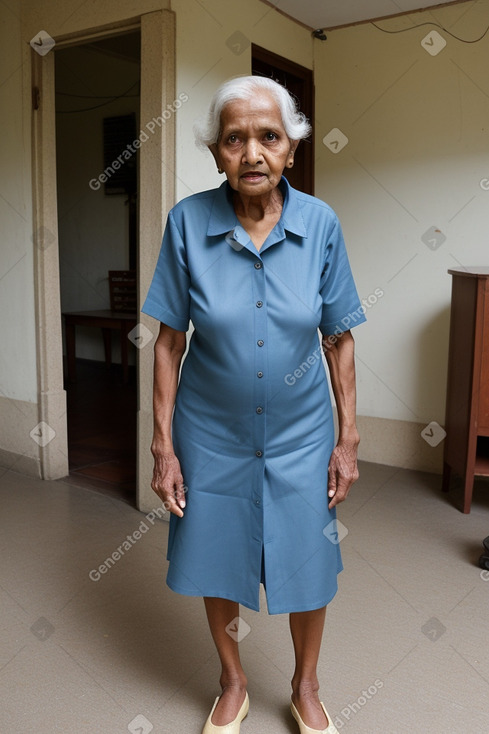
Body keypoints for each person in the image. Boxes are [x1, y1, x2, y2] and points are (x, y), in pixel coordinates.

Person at [142, 75, 365, 734]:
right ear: (215, 152)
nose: (252, 154)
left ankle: (305, 685)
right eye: (234, 139)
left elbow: (338, 339)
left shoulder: (320, 225)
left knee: (308, 559)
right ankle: (232, 680)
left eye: (268, 137)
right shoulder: (187, 222)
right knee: (215, 551)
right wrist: (162, 445)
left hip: (301, 434)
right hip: (209, 432)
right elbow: (167, 342)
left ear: (291, 148)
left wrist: (347, 439)